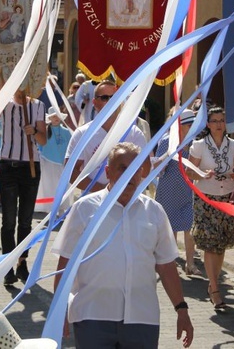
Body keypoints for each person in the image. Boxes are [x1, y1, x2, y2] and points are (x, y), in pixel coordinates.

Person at [52, 142, 194, 348]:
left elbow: (166, 265)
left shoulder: (154, 212)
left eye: (136, 169)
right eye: (122, 168)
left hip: (142, 318)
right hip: (93, 316)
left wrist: (181, 309)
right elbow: (66, 263)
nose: (130, 175)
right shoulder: (84, 209)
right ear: (108, 172)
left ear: (142, 173)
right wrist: (58, 313)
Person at [186, 106, 234, 310]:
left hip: (226, 196)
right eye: (215, 120)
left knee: (222, 242)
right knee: (210, 243)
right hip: (206, 198)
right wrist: (201, 175)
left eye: (222, 120)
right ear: (208, 124)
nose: (219, 124)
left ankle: (213, 282)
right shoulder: (199, 146)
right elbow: (189, 172)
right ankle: (215, 288)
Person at [65, 80, 150, 193]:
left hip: (127, 199)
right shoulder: (82, 134)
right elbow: (70, 172)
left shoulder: (133, 132)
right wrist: (102, 191)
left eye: (115, 97)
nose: (111, 101)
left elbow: (145, 170)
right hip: (93, 202)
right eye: (105, 97)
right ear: (94, 102)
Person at [0, 88, 47, 286]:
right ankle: (6, 265)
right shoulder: (4, 103)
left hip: (30, 167)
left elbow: (44, 139)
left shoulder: (37, 105)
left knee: (25, 220)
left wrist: (34, 131)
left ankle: (22, 262)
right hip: (8, 165)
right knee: (8, 219)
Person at [154, 108, 199, 276]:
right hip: (169, 190)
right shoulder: (166, 141)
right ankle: (170, 263)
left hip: (187, 190)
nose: (192, 128)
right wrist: (168, 153)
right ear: (180, 126)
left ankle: (190, 264)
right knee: (170, 229)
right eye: (189, 125)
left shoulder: (195, 143)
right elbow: (158, 168)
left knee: (189, 227)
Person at [36, 106, 72, 213]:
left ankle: (61, 209)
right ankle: (51, 210)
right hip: (49, 162)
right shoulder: (45, 131)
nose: (56, 118)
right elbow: (40, 146)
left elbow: (70, 146)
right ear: (50, 118)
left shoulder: (66, 131)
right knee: (50, 186)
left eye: (57, 116)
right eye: (53, 116)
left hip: (62, 162)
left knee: (62, 186)